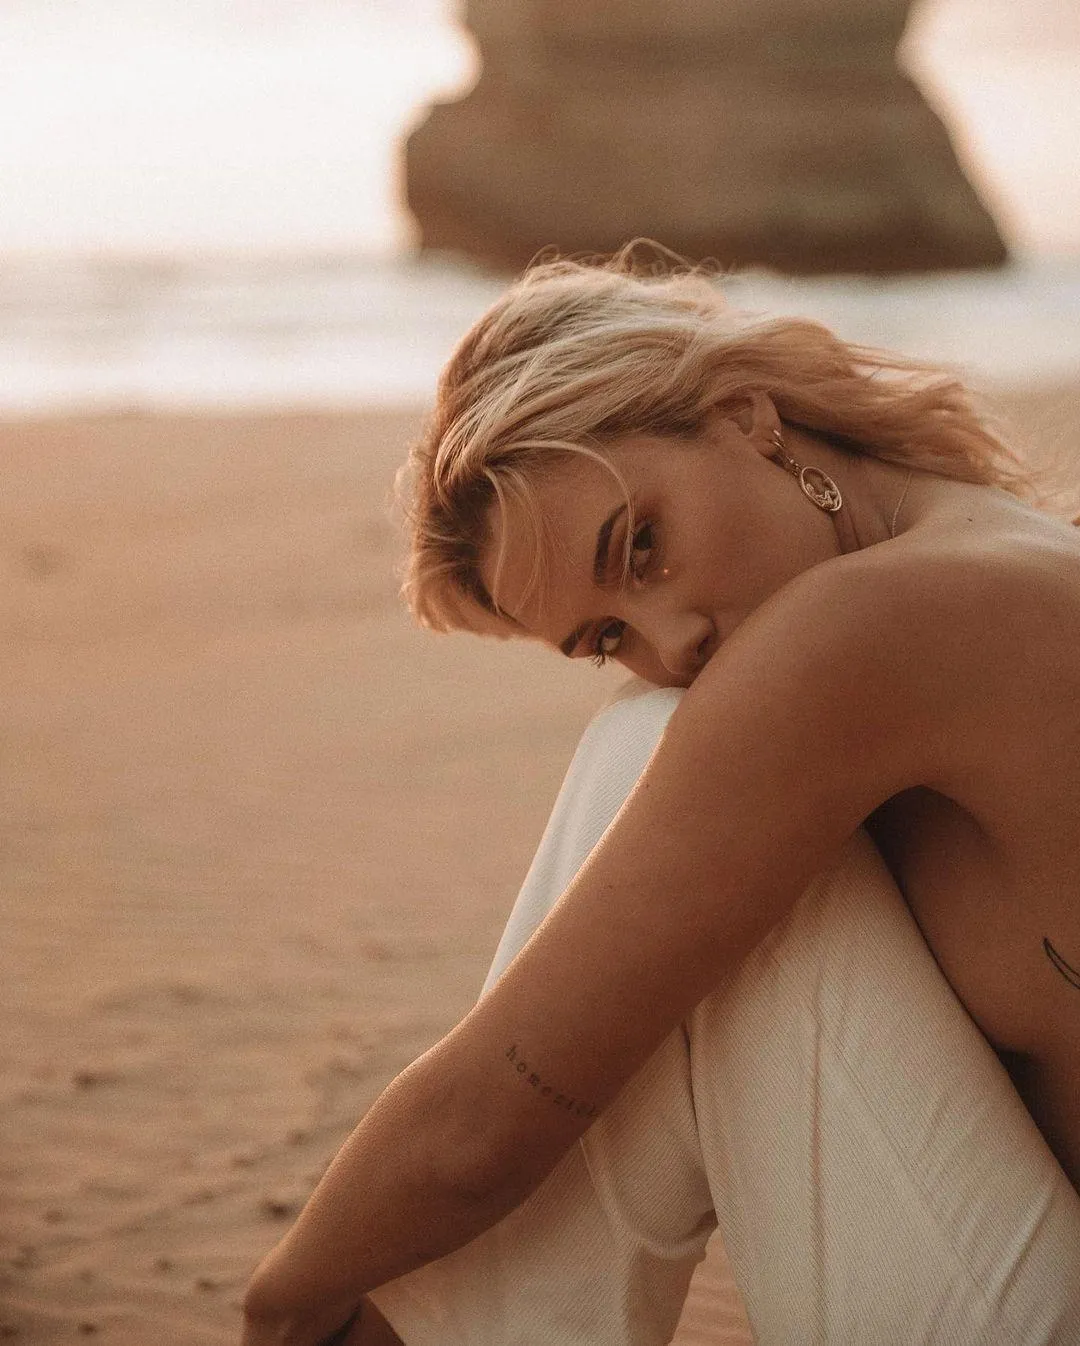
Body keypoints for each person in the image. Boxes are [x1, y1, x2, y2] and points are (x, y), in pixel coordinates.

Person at [241, 252, 1080, 1345]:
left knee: (649, 741)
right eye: (607, 637)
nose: (673, 637)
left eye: (642, 545)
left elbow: (483, 1129)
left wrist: (286, 1294)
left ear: (746, 417)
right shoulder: (994, 548)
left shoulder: (865, 631)